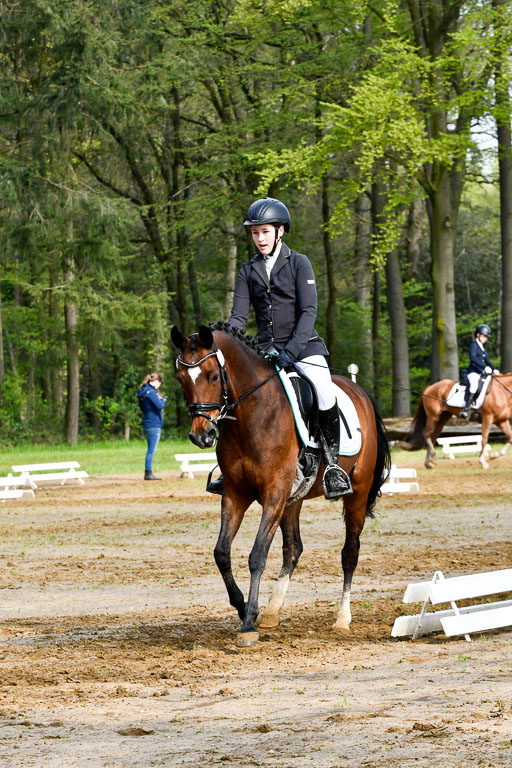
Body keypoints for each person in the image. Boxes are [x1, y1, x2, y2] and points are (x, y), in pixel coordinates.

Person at [207, 196, 352, 500]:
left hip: (304, 347)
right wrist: (221, 338)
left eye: (265, 232)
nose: (259, 238)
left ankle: (333, 468)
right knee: (233, 396)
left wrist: (290, 352)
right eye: (255, 233)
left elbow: (308, 313)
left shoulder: (299, 263)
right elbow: (238, 316)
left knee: (324, 392)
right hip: (264, 352)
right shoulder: (248, 271)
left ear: (280, 231)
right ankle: (230, 467)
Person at [459, 324, 499, 420]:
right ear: (478, 335)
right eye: (484, 336)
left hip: (481, 372)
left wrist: (494, 369)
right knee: (474, 386)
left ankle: (480, 408)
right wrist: (484, 368)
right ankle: (466, 408)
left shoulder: (483, 348)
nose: (485, 339)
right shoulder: (474, 345)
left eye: (486, 337)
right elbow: (473, 358)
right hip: (472, 372)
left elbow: (487, 361)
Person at [136, 372, 166, 480]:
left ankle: (148, 472)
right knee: (151, 450)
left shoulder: (143, 391)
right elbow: (159, 406)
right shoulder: (152, 392)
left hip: (147, 421)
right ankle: (148, 473)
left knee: (150, 449)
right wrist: (163, 399)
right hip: (153, 423)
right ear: (157, 382)